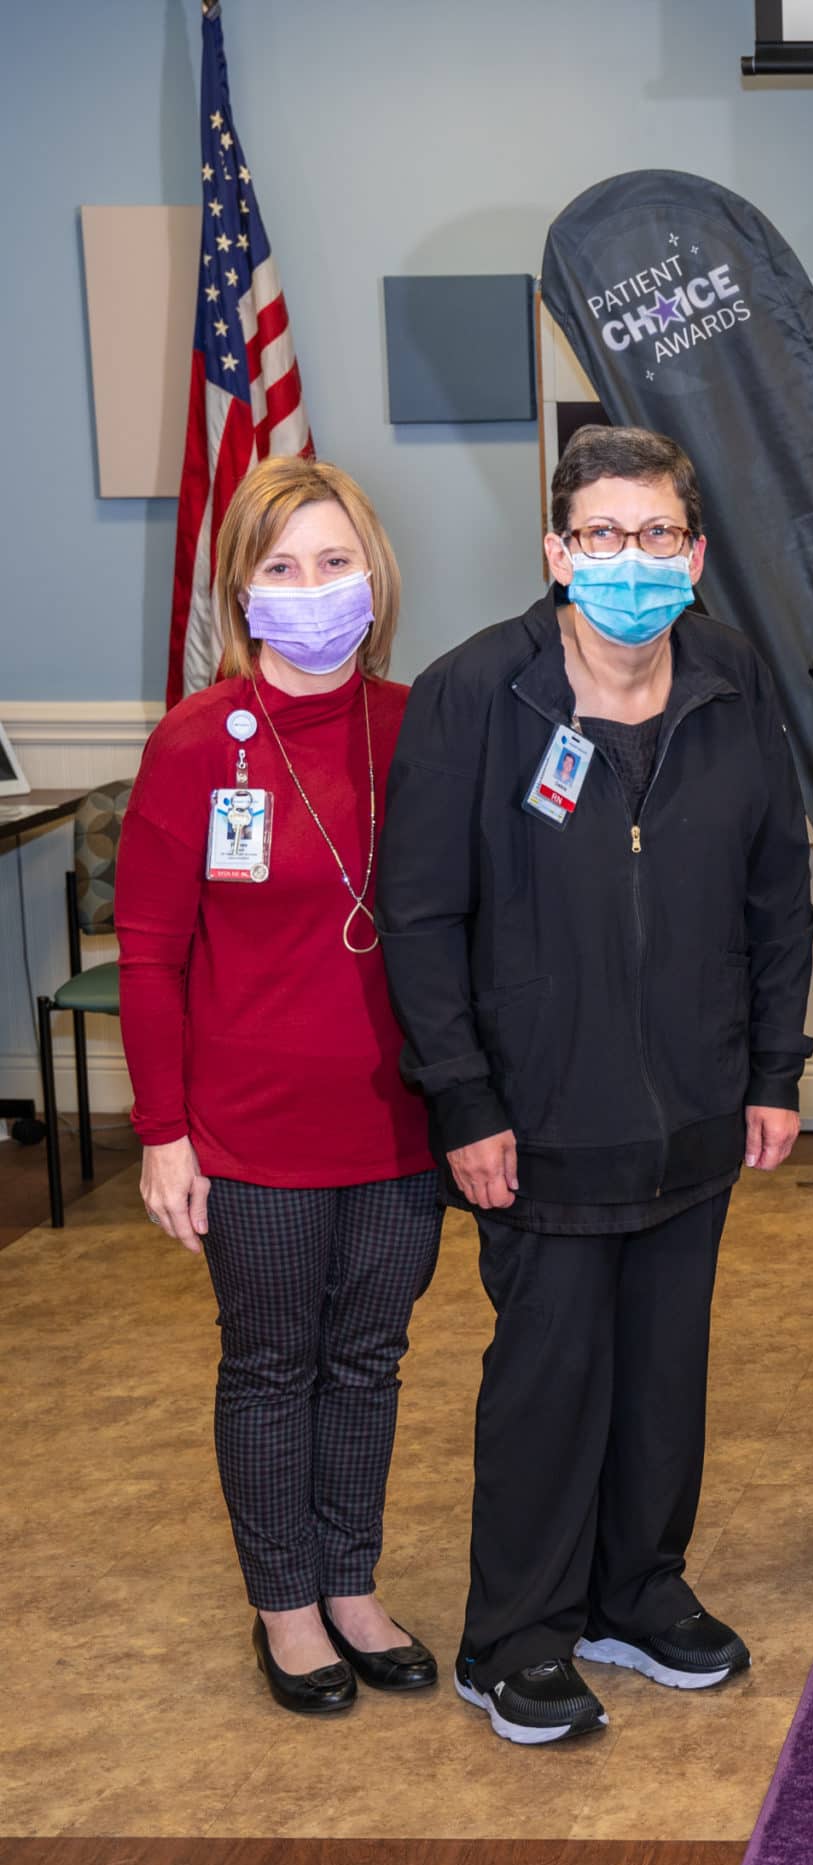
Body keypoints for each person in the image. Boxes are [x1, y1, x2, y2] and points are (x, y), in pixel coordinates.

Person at [379, 426, 813, 1745]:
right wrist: (463, 1098)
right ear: (560, 552)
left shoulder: (735, 682)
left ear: (694, 550)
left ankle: (637, 1590)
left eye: (660, 536)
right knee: (549, 1380)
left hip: (692, 1101)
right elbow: (419, 915)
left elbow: (777, 895)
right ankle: (514, 1634)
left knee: (663, 1371)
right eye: (605, 536)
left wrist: (775, 1069)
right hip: (537, 1114)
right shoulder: (476, 694)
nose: (634, 560)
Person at [118, 458, 442, 1717]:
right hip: (249, 1132)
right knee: (271, 1361)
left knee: (369, 1356)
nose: (313, 589)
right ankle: (287, 1603)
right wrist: (161, 1131)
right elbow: (148, 954)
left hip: (401, 1118)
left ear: (374, 575)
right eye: (282, 566)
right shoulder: (197, 744)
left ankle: (353, 1582)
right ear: (242, 592)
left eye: (335, 561)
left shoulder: (422, 724)